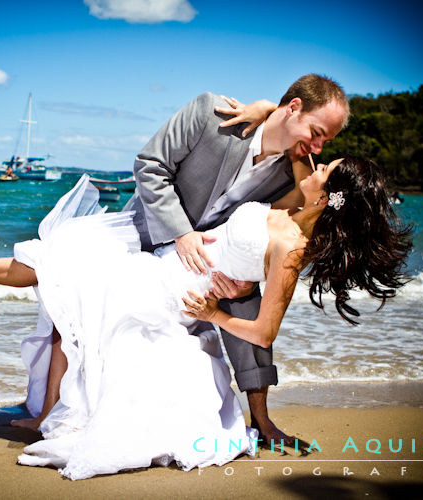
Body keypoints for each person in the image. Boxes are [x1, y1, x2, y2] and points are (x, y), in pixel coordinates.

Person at [0, 155, 411, 479]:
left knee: (68, 267)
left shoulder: (292, 245)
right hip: (160, 264)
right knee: (68, 255)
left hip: (170, 293)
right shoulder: (293, 207)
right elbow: (301, 149)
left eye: (327, 169)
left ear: (327, 197)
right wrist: (266, 109)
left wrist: (216, 311)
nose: (318, 164)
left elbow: (263, 330)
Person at [124, 74, 350, 448]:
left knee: (248, 296)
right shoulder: (213, 114)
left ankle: (262, 422)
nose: (319, 145)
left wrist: (249, 273)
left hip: (217, 265)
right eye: (316, 131)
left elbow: (292, 236)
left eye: (327, 140)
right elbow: (150, 165)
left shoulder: (298, 171)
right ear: (293, 107)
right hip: (149, 234)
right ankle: (53, 406)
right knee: (75, 276)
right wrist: (181, 233)